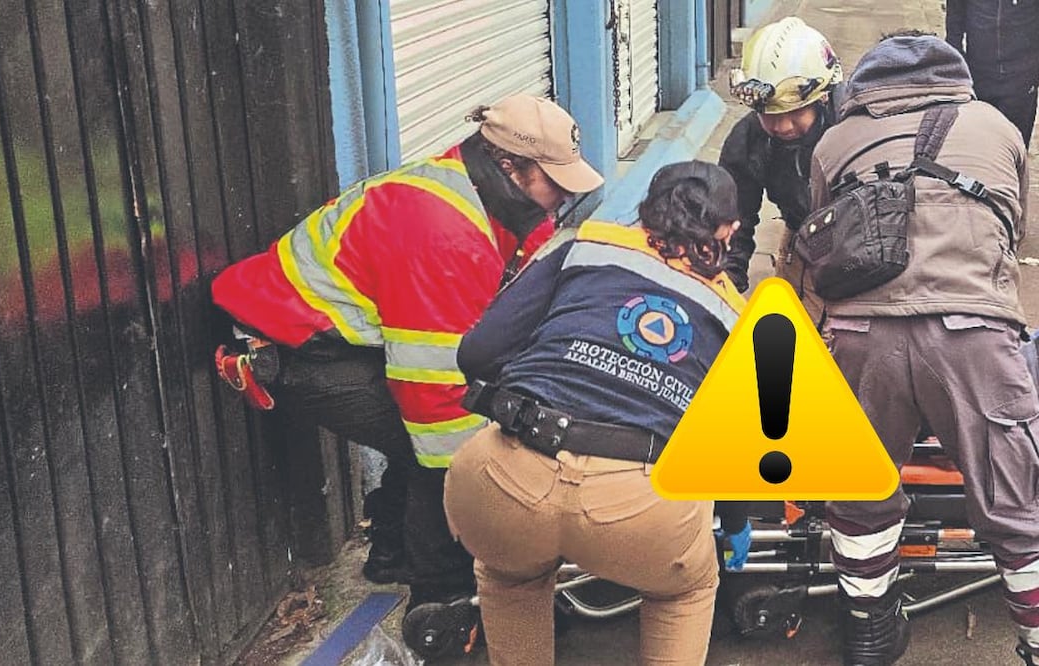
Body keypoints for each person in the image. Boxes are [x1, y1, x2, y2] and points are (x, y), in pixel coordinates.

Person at [210, 93, 604, 628]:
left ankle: (393, 550)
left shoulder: (491, 199)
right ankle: (440, 596)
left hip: (340, 338)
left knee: (440, 433)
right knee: (443, 450)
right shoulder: (442, 232)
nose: (561, 198)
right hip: (295, 350)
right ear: (508, 164)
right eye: (554, 182)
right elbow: (435, 403)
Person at [444, 161, 752, 666]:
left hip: (510, 469)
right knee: (685, 591)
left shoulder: (583, 246)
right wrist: (734, 521)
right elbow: (732, 445)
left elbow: (477, 353)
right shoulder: (733, 313)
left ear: (647, 210)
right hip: (645, 500)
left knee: (509, 575)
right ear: (730, 232)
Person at [807, 31, 1039, 665]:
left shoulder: (833, 140)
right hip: (973, 334)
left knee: (858, 493)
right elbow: (1011, 226)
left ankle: (870, 632)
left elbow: (823, 237)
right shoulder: (997, 126)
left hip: (859, 337)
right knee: (1017, 501)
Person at [719, 16, 843, 327]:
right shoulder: (747, 139)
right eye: (768, 114)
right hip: (800, 232)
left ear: (823, 96)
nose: (781, 126)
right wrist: (723, 292)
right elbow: (734, 220)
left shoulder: (854, 129)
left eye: (795, 112)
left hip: (857, 238)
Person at [946, 0, 1039, 149]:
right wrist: (956, 61)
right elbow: (955, 19)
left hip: (1021, 78)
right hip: (978, 75)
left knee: (1015, 145)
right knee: (980, 145)